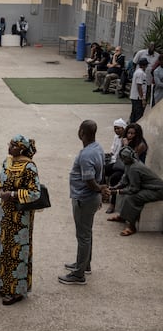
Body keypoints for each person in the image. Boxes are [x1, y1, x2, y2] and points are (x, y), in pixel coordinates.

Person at [59, 120, 108, 285]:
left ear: (82, 133)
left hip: (84, 198)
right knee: (87, 233)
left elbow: (90, 181)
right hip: (90, 197)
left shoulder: (86, 155)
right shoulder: (97, 147)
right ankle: (84, 264)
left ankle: (79, 274)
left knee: (83, 236)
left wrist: (99, 190)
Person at [0, 135, 41, 305]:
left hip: (20, 218)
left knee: (17, 250)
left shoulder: (29, 167)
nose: (10, 147)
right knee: (3, 247)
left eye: (13, 145)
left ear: (21, 149)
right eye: (10, 144)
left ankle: (16, 291)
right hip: (5, 214)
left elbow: (35, 193)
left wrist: (12, 194)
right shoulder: (7, 162)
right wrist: (0, 192)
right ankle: (2, 284)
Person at [106, 146, 163, 236]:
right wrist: (115, 187)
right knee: (124, 193)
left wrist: (118, 192)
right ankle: (122, 216)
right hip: (147, 187)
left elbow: (134, 189)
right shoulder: (129, 163)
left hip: (157, 190)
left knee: (132, 198)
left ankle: (131, 226)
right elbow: (124, 180)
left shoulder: (134, 168)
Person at [104, 118, 127, 214]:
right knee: (102, 170)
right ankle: (104, 193)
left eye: (118, 128)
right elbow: (113, 151)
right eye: (115, 128)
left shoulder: (126, 140)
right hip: (114, 162)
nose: (116, 130)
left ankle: (112, 204)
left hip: (122, 165)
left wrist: (125, 144)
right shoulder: (116, 137)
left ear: (123, 128)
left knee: (114, 178)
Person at [129, 58, 148, 124]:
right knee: (138, 115)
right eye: (146, 65)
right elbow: (139, 86)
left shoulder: (138, 72)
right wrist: (142, 98)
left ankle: (131, 126)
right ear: (143, 65)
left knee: (134, 114)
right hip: (138, 98)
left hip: (135, 97)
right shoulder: (140, 73)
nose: (147, 66)